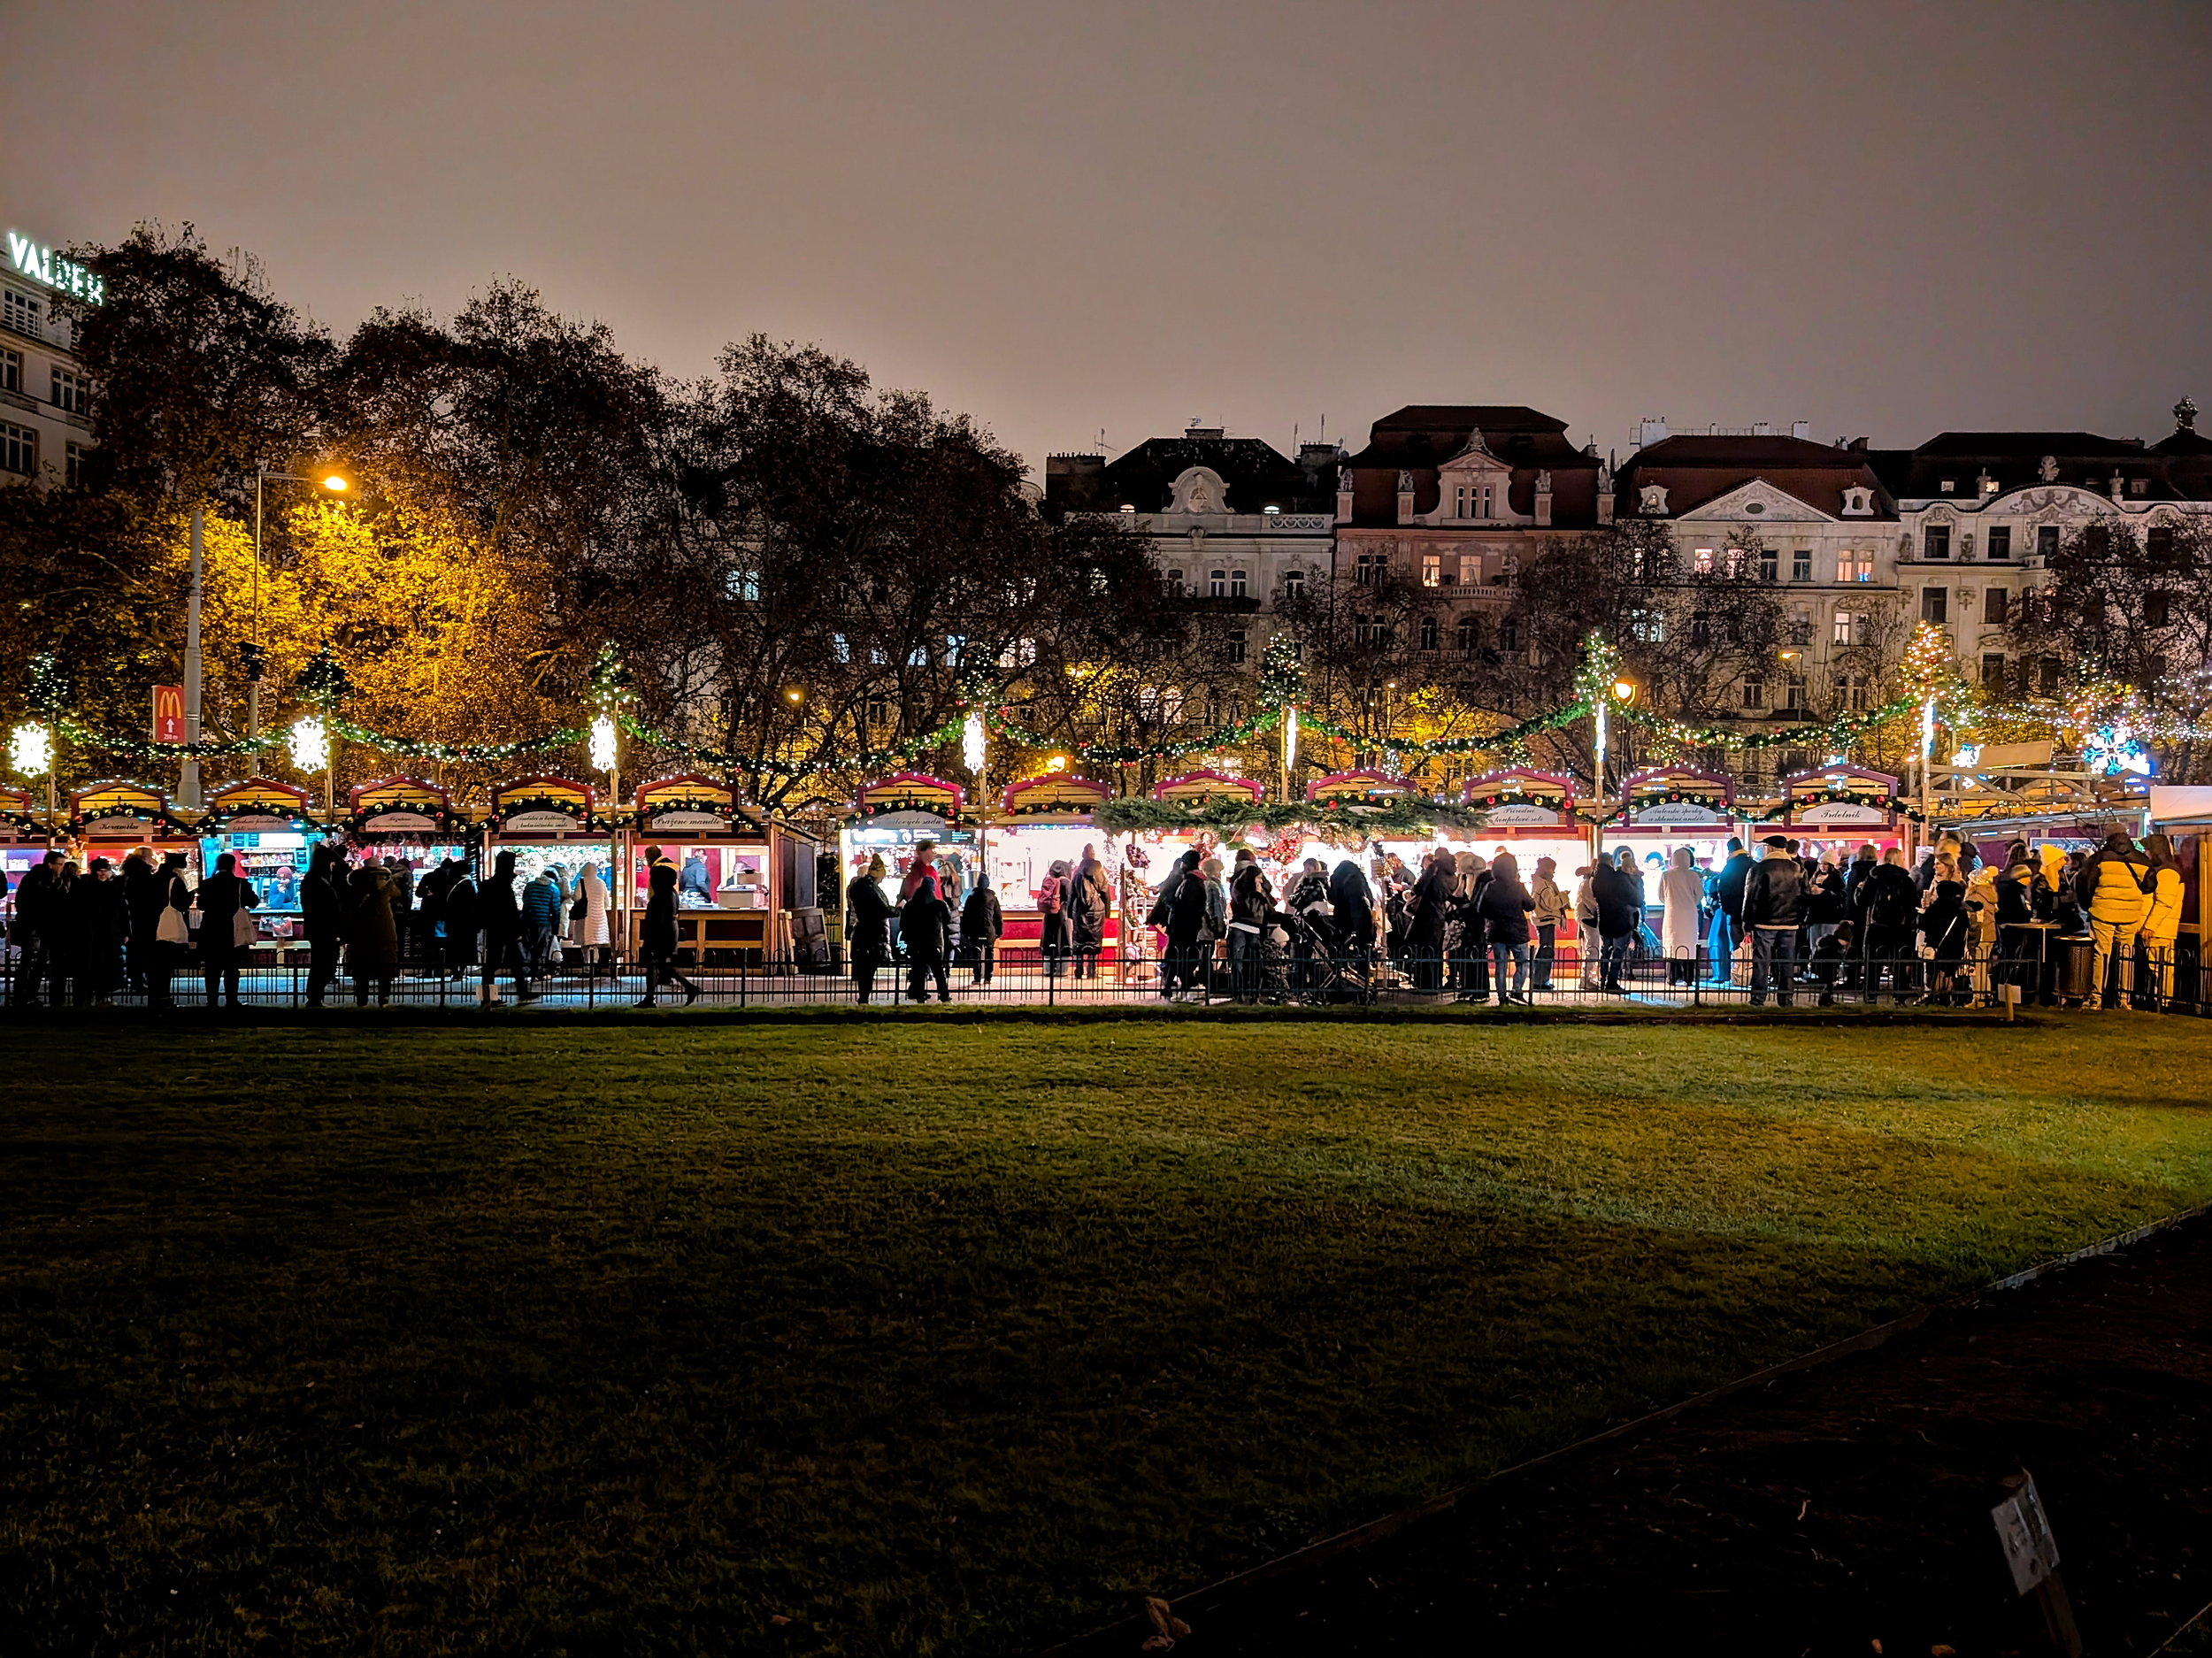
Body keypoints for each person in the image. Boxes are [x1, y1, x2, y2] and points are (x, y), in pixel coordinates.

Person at [2077, 828, 2154, 1011]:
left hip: (2103, 912)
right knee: (2126, 954)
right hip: (2130, 913)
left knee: (2101, 953)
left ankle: (2097, 997)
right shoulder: (2142, 860)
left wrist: (2089, 906)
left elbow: (2086, 883)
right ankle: (2124, 999)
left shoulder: (2099, 858)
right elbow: (2150, 886)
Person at [1741, 836, 1807, 1007]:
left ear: (1769, 848)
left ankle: (1758, 998)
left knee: (1762, 962)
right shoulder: (1798, 868)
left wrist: (1747, 924)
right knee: (1787, 962)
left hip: (1765, 922)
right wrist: (1800, 919)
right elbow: (1805, 897)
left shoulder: (1759, 869)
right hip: (1790, 923)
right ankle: (1785, 999)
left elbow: (1750, 898)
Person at [1855, 848, 1922, 1002]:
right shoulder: (1906, 879)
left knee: (1873, 963)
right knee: (1899, 963)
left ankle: (1871, 996)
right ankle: (1899, 996)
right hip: (1900, 927)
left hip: (1877, 925)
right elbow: (1912, 906)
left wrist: (1858, 891)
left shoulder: (1873, 877)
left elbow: (1862, 901)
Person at [195, 851, 257, 1009]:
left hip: (211, 930)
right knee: (231, 968)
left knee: (211, 969)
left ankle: (212, 1002)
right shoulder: (240, 883)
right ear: (232, 865)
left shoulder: (206, 884)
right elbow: (253, 902)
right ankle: (231, 1001)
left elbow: (201, 905)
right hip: (232, 931)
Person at [637, 858, 703, 1007]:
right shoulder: (671, 893)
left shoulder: (662, 896)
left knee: (660, 964)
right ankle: (650, 997)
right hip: (667, 932)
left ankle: (689, 987)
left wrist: (650, 939)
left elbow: (659, 919)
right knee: (659, 964)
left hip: (661, 933)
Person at [1476, 850, 1534, 1005]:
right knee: (1522, 963)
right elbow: (1530, 905)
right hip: (1518, 931)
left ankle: (1502, 997)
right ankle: (1517, 991)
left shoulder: (1490, 887)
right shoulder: (1518, 887)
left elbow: (1481, 909)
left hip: (1497, 931)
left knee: (1501, 965)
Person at [71, 857, 128, 1005]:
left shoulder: (93, 888)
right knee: (97, 964)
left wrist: (125, 931)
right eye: (100, 871)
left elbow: (122, 912)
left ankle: (97, 994)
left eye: (105, 871)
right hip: (95, 933)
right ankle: (96, 994)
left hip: (105, 933)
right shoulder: (103, 889)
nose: (103, 874)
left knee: (101, 965)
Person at [480, 848, 536, 1004]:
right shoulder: (502, 885)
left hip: (497, 928)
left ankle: (492, 996)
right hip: (503, 928)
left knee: (506, 962)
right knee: (497, 962)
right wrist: (517, 927)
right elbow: (509, 909)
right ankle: (490, 997)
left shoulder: (493, 884)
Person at [2137, 833, 2185, 1009]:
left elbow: (2164, 902)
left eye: (2148, 850)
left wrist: (2150, 926)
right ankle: (2159, 999)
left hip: (2160, 929)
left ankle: (2164, 1001)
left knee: (2161, 967)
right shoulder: (2166, 870)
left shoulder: (2167, 872)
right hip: (2158, 927)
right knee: (2158, 967)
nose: (2147, 853)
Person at [11, 848, 64, 1006]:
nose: (62, 867)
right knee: (33, 962)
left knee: (32, 962)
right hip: (37, 927)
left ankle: (24, 995)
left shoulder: (37, 879)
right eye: (59, 864)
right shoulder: (41, 881)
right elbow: (32, 904)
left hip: (37, 926)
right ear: (50, 865)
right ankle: (25, 995)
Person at [300, 845, 349, 1008]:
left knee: (323, 964)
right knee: (323, 964)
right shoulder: (316, 881)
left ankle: (315, 998)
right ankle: (314, 998)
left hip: (321, 928)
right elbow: (324, 908)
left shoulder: (315, 880)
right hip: (322, 928)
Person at [347, 859, 401, 1007]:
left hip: (362, 929)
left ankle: (362, 1000)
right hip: (384, 928)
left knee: (362, 966)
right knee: (385, 965)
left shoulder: (356, 883)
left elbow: (349, 907)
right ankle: (384, 999)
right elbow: (398, 895)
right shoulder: (388, 883)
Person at [1918, 851, 1970, 1005]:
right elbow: (1965, 924)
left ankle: (1936, 995)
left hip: (1937, 939)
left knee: (1936, 968)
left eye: (1938, 863)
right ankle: (1946, 995)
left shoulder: (1954, 887)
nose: (1935, 866)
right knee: (1948, 970)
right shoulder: (1958, 908)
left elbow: (1924, 924)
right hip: (1954, 942)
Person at [1588, 853, 1640, 994]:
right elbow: (1636, 899)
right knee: (1618, 952)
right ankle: (1612, 982)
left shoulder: (1595, 879)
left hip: (1604, 920)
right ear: (1611, 861)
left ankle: (1603, 979)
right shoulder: (1618, 878)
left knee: (1605, 950)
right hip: (1621, 919)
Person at [902, 864, 953, 1003]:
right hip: (934, 943)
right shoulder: (939, 905)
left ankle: (919, 995)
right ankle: (944, 995)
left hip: (916, 943)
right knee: (938, 972)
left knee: (918, 971)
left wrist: (908, 939)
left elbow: (904, 924)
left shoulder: (911, 905)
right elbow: (948, 920)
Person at [848, 854, 895, 1003]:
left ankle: (863, 997)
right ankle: (864, 998)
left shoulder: (860, 887)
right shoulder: (870, 889)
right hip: (872, 933)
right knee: (868, 967)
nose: (882, 879)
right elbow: (882, 909)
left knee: (865, 967)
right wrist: (899, 909)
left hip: (864, 931)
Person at [1408, 848, 1456, 993]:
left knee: (1425, 949)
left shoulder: (1434, 868)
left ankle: (1426, 984)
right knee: (1436, 950)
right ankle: (1436, 983)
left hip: (1428, 913)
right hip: (1441, 913)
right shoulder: (1453, 873)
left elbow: (1419, 888)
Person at [1227, 853, 1273, 1002]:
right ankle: (1241, 995)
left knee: (1251, 964)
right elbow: (1253, 910)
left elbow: (1269, 909)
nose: (1261, 881)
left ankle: (1250, 996)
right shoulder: (1246, 892)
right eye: (1259, 878)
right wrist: (1259, 894)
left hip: (1252, 929)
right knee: (1241, 964)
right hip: (1244, 928)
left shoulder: (1240, 886)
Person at [1658, 846, 1705, 986]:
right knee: (1689, 947)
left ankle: (1671, 978)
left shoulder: (1666, 875)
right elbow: (1700, 894)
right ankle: (1689, 979)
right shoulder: (1693, 875)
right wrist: (1691, 903)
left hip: (1672, 914)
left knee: (1672, 945)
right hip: (1690, 915)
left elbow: (1661, 896)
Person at [1326, 858, 1376, 988]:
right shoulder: (1359, 877)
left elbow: (1332, 897)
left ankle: (1345, 980)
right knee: (1363, 950)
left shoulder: (1337, 878)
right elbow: (1369, 898)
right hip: (1362, 918)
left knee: (1343, 949)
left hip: (1343, 918)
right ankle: (1364, 982)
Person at [1710, 836, 1754, 981]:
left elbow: (1723, 889)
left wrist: (1727, 909)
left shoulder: (1730, 866)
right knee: (1752, 946)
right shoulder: (1753, 863)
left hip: (1735, 913)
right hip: (1753, 913)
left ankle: (1738, 976)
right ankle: (1752, 976)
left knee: (1736, 946)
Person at [1068, 843, 1112, 979]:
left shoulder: (1077, 872)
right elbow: (1105, 893)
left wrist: (1070, 912)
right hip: (1096, 909)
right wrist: (1107, 911)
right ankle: (1092, 971)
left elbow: (1072, 894)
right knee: (1094, 940)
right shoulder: (1100, 872)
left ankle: (1079, 971)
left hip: (1080, 909)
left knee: (1079, 940)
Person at [1529, 856, 1568, 993]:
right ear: (1546, 869)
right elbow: (1551, 903)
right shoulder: (1543, 885)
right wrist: (1563, 896)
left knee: (1545, 950)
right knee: (1546, 951)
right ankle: (1540, 980)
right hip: (1546, 920)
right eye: (1552, 869)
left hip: (1544, 920)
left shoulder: (1540, 883)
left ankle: (1541, 979)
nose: (1553, 872)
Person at [520, 866, 564, 978]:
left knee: (528, 946)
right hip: (543, 922)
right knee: (541, 948)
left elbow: (525, 900)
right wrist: (555, 928)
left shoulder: (530, 885)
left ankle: (525, 971)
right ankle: (538, 971)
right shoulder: (554, 889)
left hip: (527, 920)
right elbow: (556, 911)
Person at [961, 876, 1003, 985]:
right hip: (989, 929)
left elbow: (966, 916)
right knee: (990, 952)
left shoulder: (971, 897)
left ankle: (977, 977)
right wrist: (999, 931)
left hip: (975, 930)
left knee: (976, 953)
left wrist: (965, 931)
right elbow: (998, 916)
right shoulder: (993, 898)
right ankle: (988, 977)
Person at [572, 860, 612, 971]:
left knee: (585, 944)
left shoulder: (582, 882)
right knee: (595, 944)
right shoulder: (602, 883)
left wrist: (571, 895)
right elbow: (606, 903)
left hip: (585, 917)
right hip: (599, 917)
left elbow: (577, 897)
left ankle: (587, 968)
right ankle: (594, 965)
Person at [1036, 859, 1071, 978]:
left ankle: (1048, 969)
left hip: (1049, 914)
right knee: (1063, 941)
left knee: (1049, 940)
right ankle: (1061, 970)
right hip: (1063, 916)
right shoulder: (1066, 882)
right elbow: (1070, 899)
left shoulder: (1048, 880)